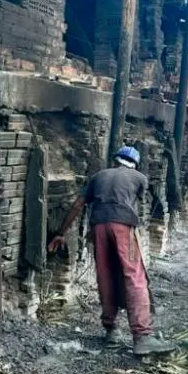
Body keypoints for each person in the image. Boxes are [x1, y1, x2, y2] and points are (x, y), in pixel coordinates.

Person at [48, 146, 174, 356]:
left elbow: (78, 204)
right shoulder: (139, 177)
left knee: (105, 276)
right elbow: (139, 200)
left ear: (115, 160)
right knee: (135, 277)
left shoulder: (98, 176)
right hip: (123, 226)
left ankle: (111, 331)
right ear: (134, 164)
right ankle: (142, 336)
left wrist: (61, 232)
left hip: (99, 227)